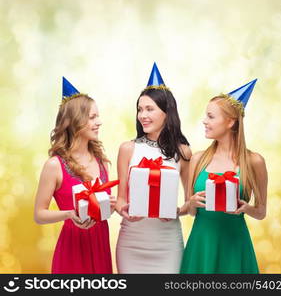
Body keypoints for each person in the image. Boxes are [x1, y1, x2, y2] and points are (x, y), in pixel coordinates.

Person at [180, 79, 267, 274]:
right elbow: (192, 211)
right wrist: (192, 203)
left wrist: (246, 208)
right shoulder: (197, 159)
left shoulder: (254, 162)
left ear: (231, 122)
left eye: (210, 116)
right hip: (202, 244)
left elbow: (261, 212)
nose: (204, 121)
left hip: (235, 245)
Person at [115, 63, 192, 273]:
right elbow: (121, 198)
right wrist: (123, 209)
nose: (142, 115)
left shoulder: (183, 152)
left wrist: (177, 211)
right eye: (140, 109)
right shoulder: (127, 149)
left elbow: (190, 206)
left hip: (167, 243)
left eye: (150, 109)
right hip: (131, 242)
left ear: (167, 112)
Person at [34, 77, 115, 273]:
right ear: (74, 121)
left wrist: (110, 207)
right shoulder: (54, 165)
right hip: (72, 248)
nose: (99, 122)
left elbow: (104, 212)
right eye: (93, 117)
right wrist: (70, 214)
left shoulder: (102, 161)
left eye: (98, 116)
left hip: (100, 244)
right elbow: (39, 214)